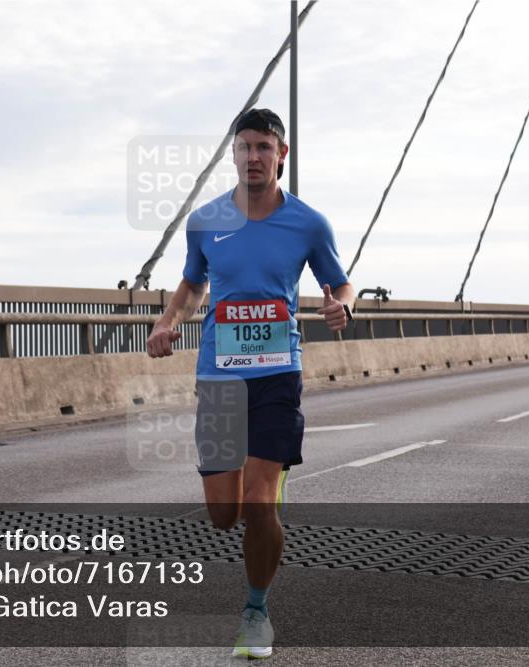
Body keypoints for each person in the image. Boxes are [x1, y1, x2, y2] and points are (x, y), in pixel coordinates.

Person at [145, 108, 354, 659]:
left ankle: (256, 613)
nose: (254, 157)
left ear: (281, 154)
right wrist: (169, 323)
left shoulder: (308, 223)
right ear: (233, 155)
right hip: (218, 377)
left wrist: (342, 309)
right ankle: (259, 490)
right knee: (223, 515)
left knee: (260, 504)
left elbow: (342, 283)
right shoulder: (206, 220)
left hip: (278, 375)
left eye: (264, 146)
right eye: (245, 147)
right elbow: (192, 284)